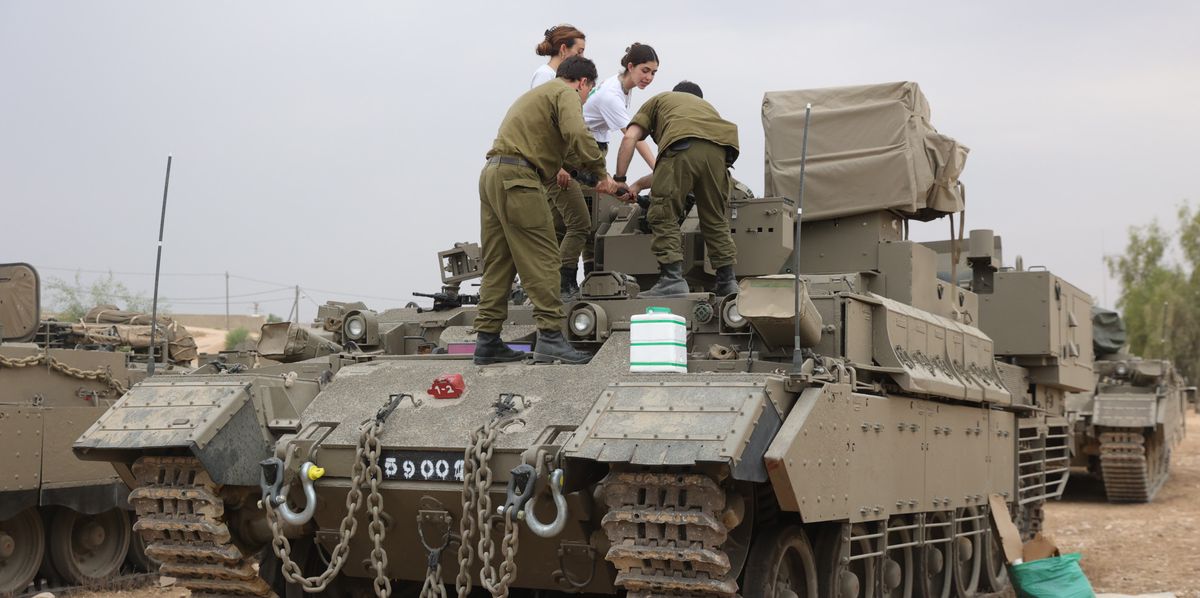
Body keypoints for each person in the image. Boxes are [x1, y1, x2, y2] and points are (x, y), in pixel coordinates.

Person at [474, 56, 619, 366]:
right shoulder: (564, 93)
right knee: (544, 256)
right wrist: (603, 172)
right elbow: (578, 136)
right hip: (519, 179)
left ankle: (487, 341)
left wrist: (594, 179)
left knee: (500, 262)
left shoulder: (536, 97)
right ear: (583, 83)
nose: (586, 98)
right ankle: (551, 337)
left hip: (493, 175)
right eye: (588, 92)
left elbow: (563, 156)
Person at [547, 43, 662, 300]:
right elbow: (633, 137)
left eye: (654, 73)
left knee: (593, 223)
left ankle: (592, 280)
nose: (649, 78)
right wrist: (657, 168)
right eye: (645, 70)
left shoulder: (622, 88)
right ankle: (564, 284)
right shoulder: (612, 94)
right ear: (630, 66)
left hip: (591, 153)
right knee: (576, 223)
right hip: (578, 154)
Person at [614, 81, 740, 297]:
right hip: (721, 150)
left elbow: (630, 136)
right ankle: (727, 281)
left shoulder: (660, 100)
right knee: (715, 218)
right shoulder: (706, 110)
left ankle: (672, 279)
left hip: (682, 148)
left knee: (662, 213)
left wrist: (620, 179)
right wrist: (637, 185)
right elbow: (685, 162)